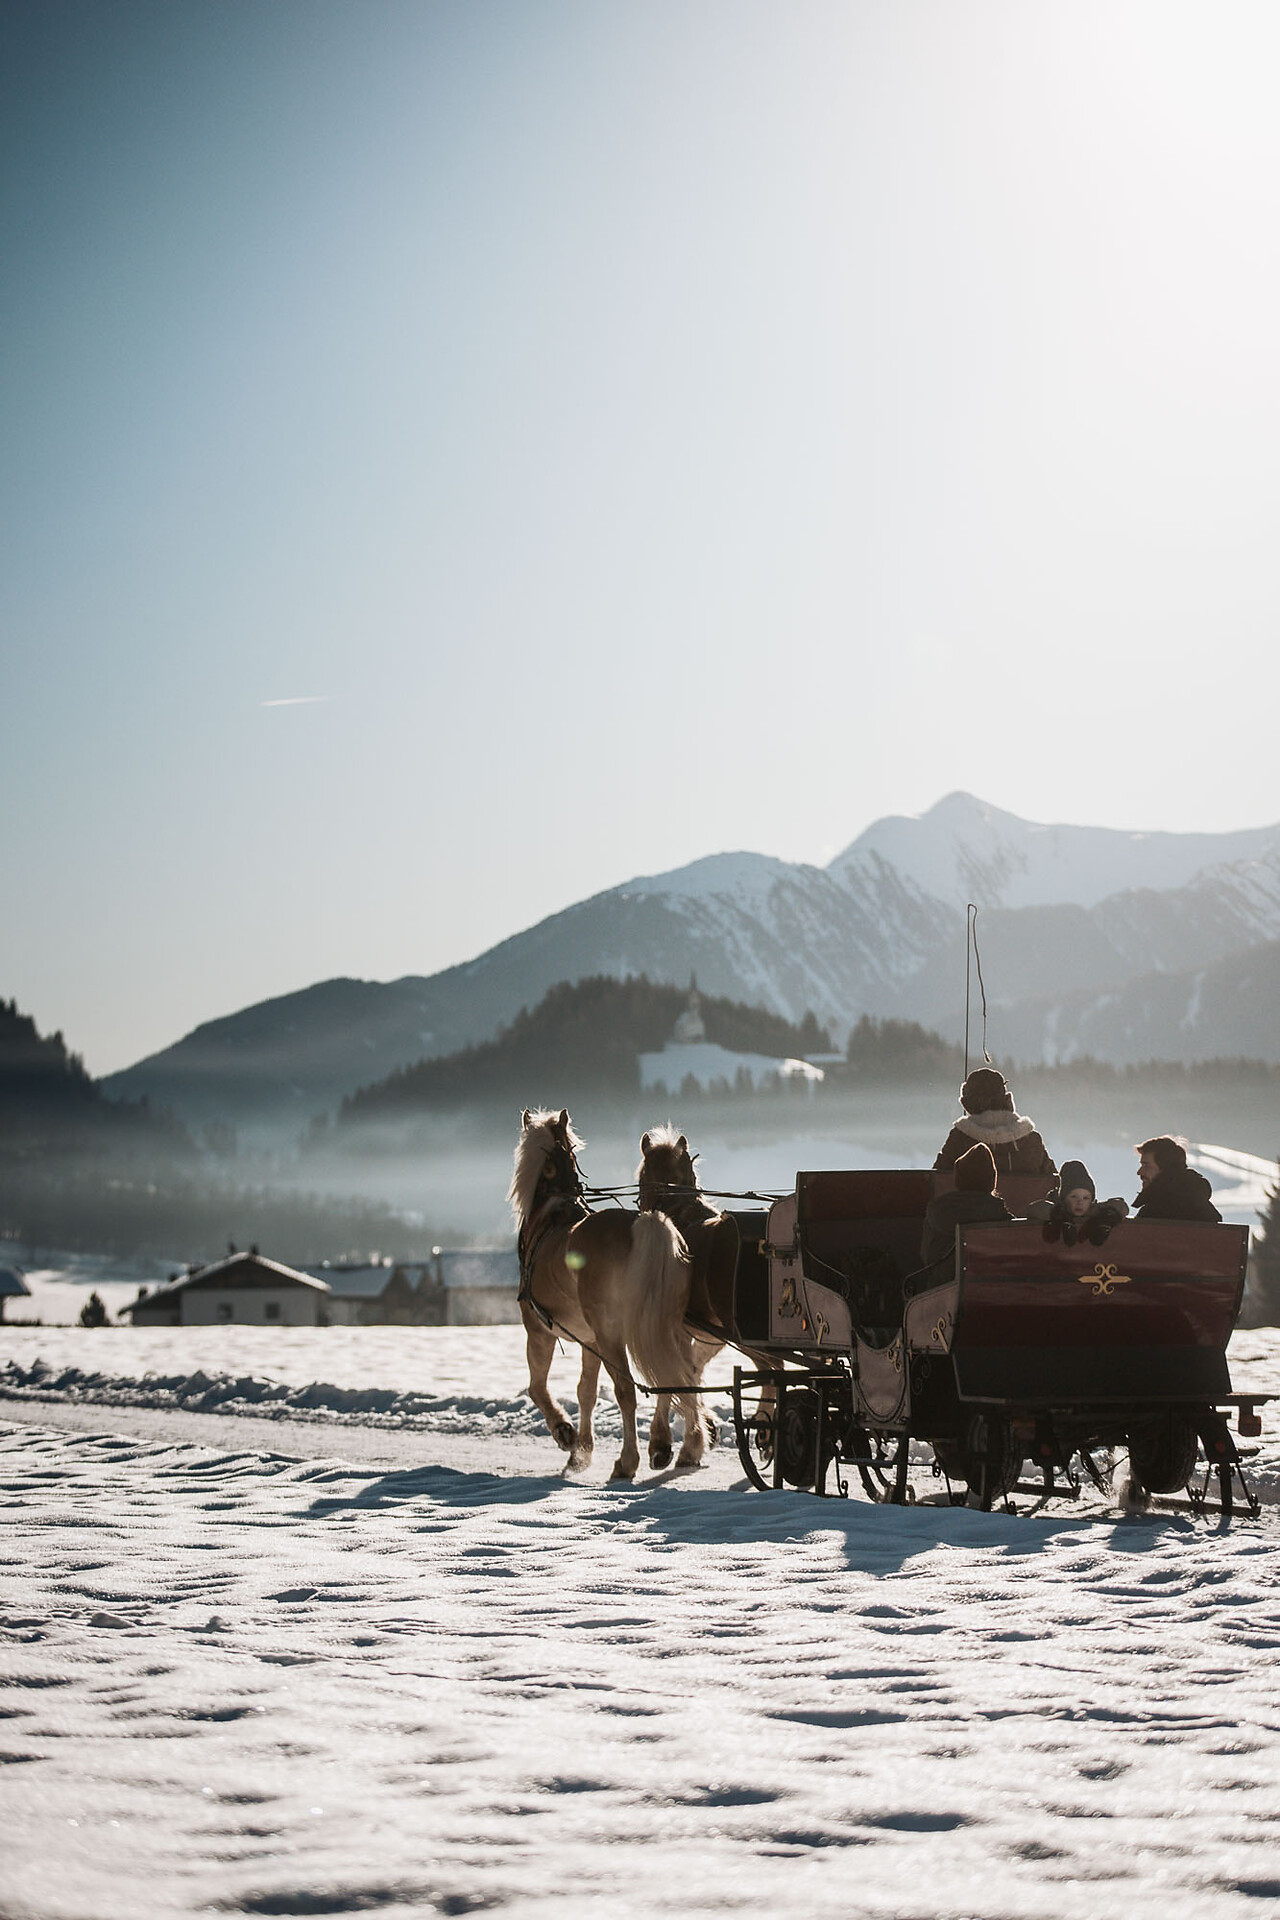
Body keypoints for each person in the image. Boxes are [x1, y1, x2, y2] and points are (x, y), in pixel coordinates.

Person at [933, 1067, 1056, 1176]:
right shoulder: (1032, 1140)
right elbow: (1054, 1182)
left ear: (969, 1104)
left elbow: (937, 1180)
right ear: (1007, 1100)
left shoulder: (960, 1139)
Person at [919, 1142, 1014, 1271]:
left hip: (940, 1285)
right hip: (989, 1285)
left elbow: (927, 1257)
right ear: (992, 1182)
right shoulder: (1003, 1217)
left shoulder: (937, 1211)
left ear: (958, 1179)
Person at [1025, 1158, 1130, 1246]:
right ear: (1064, 1198)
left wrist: (1108, 1215)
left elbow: (1121, 1206)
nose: (1080, 1202)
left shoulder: (1094, 1210)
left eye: (1086, 1198)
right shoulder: (1058, 1206)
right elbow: (1033, 1209)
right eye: (1074, 1197)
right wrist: (1056, 1213)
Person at [1132, 1136, 1221, 1223]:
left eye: (1146, 1165)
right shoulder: (1206, 1210)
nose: (1139, 1172)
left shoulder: (1153, 1214)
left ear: (1165, 1168)